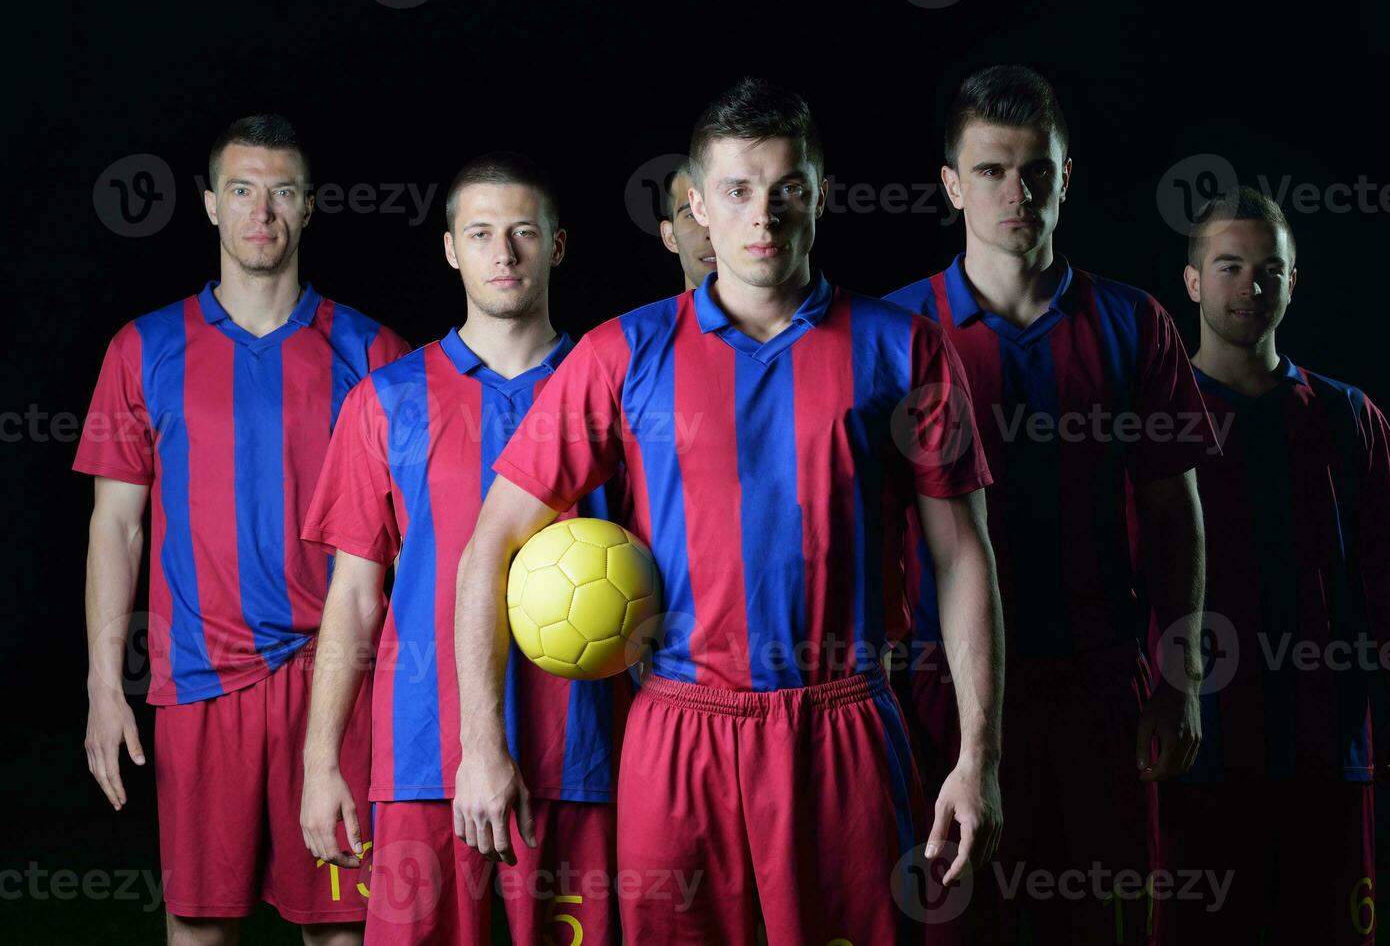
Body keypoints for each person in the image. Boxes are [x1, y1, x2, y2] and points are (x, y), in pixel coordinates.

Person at [453, 78, 1004, 945]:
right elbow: (488, 545)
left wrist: (977, 759)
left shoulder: (903, 346)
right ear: (699, 207)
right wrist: (481, 746)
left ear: (820, 196)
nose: (764, 215)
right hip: (682, 729)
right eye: (739, 192)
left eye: (788, 189)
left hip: (846, 725)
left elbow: (962, 558)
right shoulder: (620, 354)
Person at [885, 65, 1211, 944]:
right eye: (989, 171)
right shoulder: (893, 333)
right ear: (951, 185)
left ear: (1065, 177)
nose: (1015, 192)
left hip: (1098, 682)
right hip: (935, 694)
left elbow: (1174, 511)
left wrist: (1176, 682)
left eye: (1036, 170)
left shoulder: (1135, 323)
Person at [76, 113, 408, 945]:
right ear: (211, 206)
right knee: (198, 928)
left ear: (309, 206)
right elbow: (116, 526)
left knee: (339, 928)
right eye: (242, 191)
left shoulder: (371, 353)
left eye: (283, 191)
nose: (262, 212)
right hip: (198, 681)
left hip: (337, 683)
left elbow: (416, 542)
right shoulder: (143, 347)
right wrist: (103, 684)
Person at [299, 152, 629, 946]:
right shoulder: (385, 399)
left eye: (523, 232)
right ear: (450, 249)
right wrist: (320, 764)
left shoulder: (618, 390)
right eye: (480, 233)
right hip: (422, 759)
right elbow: (352, 596)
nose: (503, 253)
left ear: (557, 245)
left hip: (581, 754)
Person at [1154, 185, 1390, 944]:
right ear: (1191, 282)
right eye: (1229, 266)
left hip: (1324, 751)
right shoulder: (1152, 419)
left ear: (1292, 281)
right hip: (1195, 757)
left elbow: (1387, 573)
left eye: (1268, 269)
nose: (1250, 285)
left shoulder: (1346, 416)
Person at [658, 160, 716, 290]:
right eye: (692, 215)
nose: (711, 234)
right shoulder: (655, 312)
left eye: (722, 212)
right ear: (670, 236)